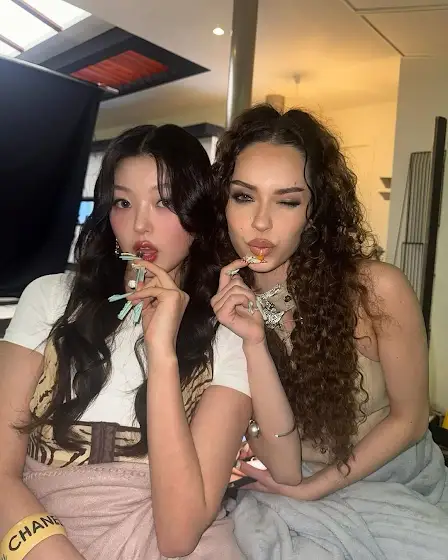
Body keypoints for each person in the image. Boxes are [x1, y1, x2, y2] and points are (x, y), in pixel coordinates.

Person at [0, 124, 252, 560]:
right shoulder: (50, 298)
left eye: (164, 202)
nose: (139, 224)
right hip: (42, 531)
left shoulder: (229, 332)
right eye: (123, 202)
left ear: (198, 216)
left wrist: (162, 353)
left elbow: (178, 536)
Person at [211, 105, 448, 559]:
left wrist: (315, 487)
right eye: (244, 196)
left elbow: (411, 419)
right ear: (222, 203)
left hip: (392, 478)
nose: (260, 222)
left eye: (287, 201)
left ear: (314, 211)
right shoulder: (224, 303)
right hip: (288, 481)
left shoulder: (374, 290)